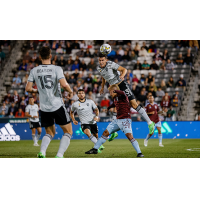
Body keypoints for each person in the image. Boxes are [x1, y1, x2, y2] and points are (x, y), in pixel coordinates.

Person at [25, 46, 73, 158]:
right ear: (51, 56)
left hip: (44, 107)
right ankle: (59, 155)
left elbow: (28, 88)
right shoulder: (57, 69)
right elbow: (64, 85)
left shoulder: (34, 70)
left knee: (49, 133)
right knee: (68, 132)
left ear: (40, 57)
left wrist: (36, 91)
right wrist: (70, 91)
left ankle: (42, 152)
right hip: (57, 105)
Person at [97, 53, 155, 134]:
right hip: (114, 88)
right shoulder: (99, 68)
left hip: (121, 85)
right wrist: (102, 87)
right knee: (116, 107)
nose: (101, 62)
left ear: (106, 60)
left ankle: (150, 123)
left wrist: (123, 75)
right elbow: (103, 76)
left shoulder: (111, 64)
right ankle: (114, 132)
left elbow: (124, 69)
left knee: (134, 104)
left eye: (102, 60)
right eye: (99, 60)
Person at [85, 84, 144, 157]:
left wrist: (115, 90)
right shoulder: (115, 98)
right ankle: (95, 149)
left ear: (115, 91)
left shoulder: (122, 96)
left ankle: (139, 153)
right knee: (105, 132)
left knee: (129, 136)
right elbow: (114, 104)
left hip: (125, 119)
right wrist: (109, 107)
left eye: (111, 92)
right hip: (117, 120)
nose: (110, 94)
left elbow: (123, 93)